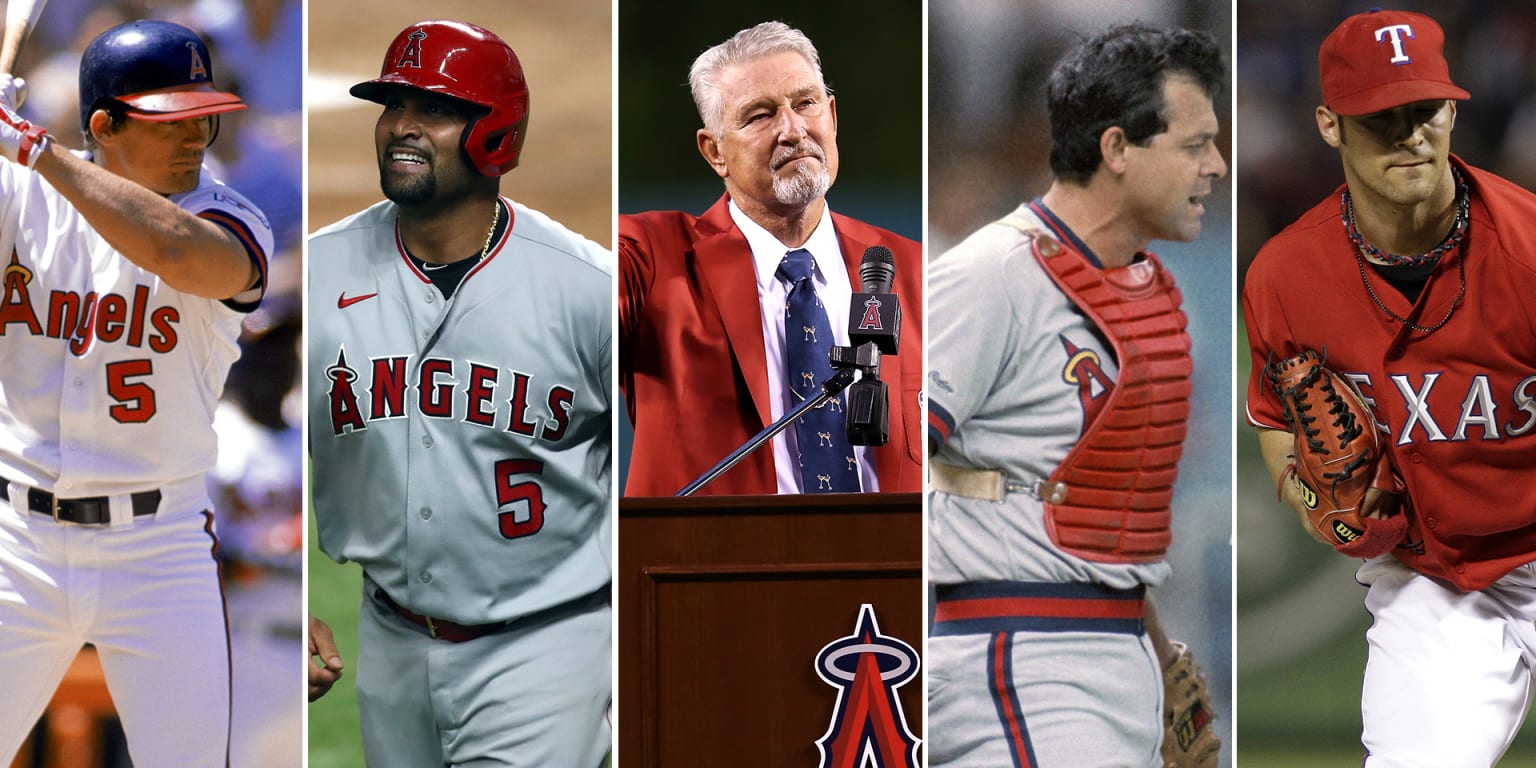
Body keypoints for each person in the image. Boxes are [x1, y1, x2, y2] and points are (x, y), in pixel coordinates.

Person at [306, 20, 612, 766]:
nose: (402, 128)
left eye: (433, 110)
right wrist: (289, 602)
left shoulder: (588, 290)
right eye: (393, 106)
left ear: (496, 136)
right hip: (389, 644)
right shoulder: (321, 272)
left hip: (547, 644)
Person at [926, 24, 1227, 766]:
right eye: (1193, 145)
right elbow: (862, 461)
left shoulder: (1145, 286)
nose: (1216, 166)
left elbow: (1102, 515)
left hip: (1114, 646)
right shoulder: (992, 274)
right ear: (1118, 149)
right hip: (1016, 655)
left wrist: (1160, 654)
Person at [1242, 9, 1536, 766]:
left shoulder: (1527, 246)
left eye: (1425, 110)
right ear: (1330, 124)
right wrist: (1311, 500)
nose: (1410, 134)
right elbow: (1277, 424)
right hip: (1434, 577)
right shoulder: (1285, 275)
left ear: (1451, 111)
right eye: (1380, 117)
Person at [0, 19, 273, 765]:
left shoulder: (229, 214)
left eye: (205, 114)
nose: (198, 135)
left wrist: (28, 146)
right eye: (172, 119)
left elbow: (177, 253)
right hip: (15, 541)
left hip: (159, 549)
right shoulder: (20, 198)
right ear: (103, 125)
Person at [619, 20, 924, 497]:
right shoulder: (652, 257)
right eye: (760, 116)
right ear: (715, 151)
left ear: (833, 117)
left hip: (886, 564)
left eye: (805, 103)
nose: (792, 129)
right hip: (715, 566)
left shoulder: (916, 272)